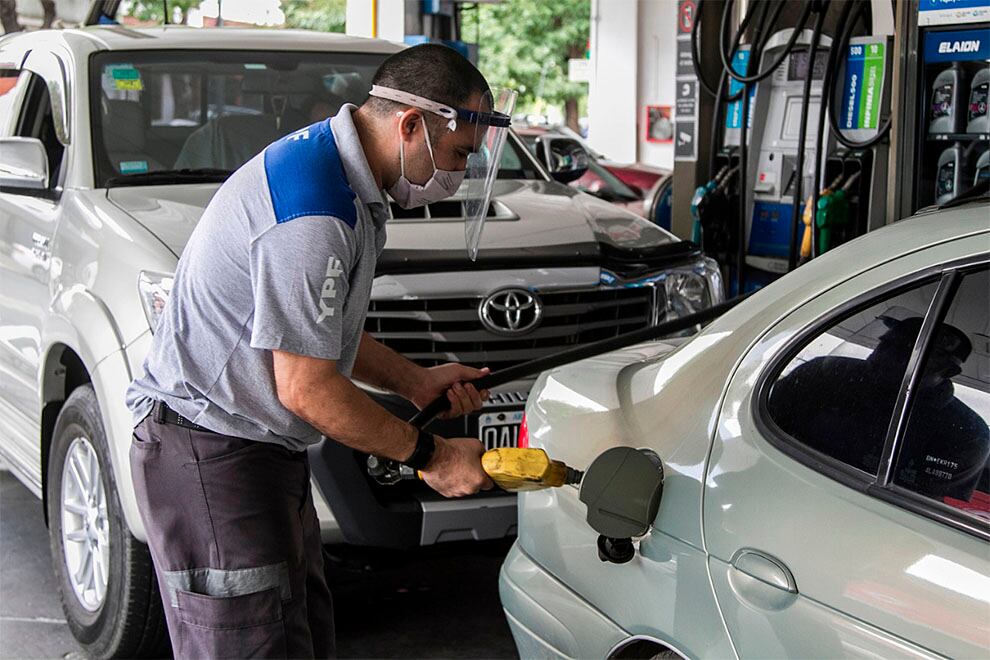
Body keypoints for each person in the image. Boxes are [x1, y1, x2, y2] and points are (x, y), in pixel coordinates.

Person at [126, 44, 507, 658]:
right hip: (212, 452)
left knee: (298, 635)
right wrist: (431, 455)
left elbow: (312, 332)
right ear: (410, 125)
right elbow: (304, 386)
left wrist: (414, 381)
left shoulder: (340, 179)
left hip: (256, 451)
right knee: (256, 645)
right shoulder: (314, 212)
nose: (459, 173)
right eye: (459, 153)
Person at [770, 316, 989, 501]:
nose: (882, 356)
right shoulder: (824, 374)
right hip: (780, 486)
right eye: (885, 344)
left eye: (905, 354)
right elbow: (763, 423)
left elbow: (931, 510)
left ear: (948, 371)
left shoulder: (966, 434)